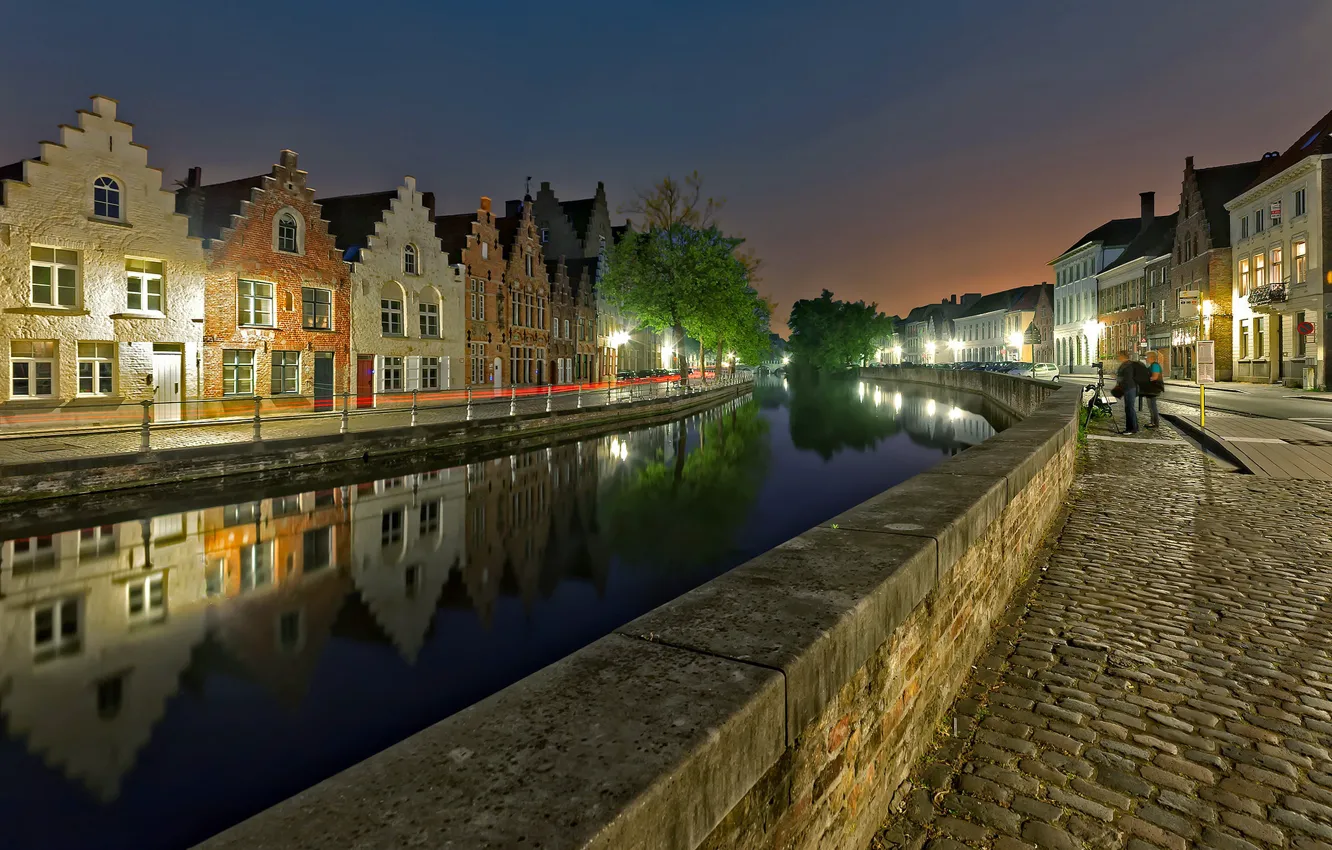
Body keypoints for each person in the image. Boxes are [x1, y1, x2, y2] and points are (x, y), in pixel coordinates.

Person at [1113, 350, 1139, 434]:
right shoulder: (1126, 364)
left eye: (1119, 355)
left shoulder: (1128, 365)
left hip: (1130, 388)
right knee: (1129, 408)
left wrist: (1118, 379)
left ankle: (1131, 429)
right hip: (1129, 388)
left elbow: (1127, 378)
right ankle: (1134, 427)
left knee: (1129, 408)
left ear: (1123, 356)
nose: (1118, 357)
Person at [1141, 351, 1164, 428]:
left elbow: (1155, 377)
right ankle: (1153, 422)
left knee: (1152, 406)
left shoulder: (1155, 366)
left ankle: (1155, 423)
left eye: (1146, 357)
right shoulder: (1152, 366)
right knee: (1151, 406)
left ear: (1151, 357)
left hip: (1154, 389)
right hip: (1151, 389)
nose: (1146, 359)